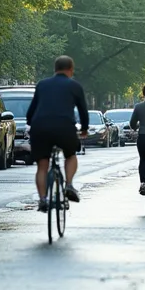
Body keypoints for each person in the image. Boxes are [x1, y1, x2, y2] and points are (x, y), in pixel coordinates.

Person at [26, 55, 89, 212]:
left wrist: (31, 123)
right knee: (70, 154)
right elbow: (83, 110)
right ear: (71, 70)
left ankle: (42, 199)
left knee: (42, 166)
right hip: (64, 127)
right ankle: (68, 184)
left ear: (55, 69)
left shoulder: (42, 85)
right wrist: (84, 129)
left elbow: (31, 111)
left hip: (40, 127)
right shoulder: (75, 86)